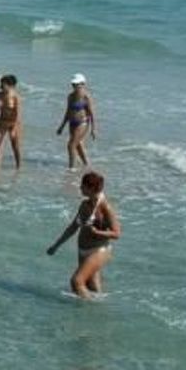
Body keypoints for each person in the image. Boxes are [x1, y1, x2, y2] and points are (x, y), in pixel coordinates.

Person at [47, 169, 120, 297]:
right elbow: (73, 227)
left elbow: (116, 233)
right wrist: (56, 245)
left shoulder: (105, 207)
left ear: (91, 188)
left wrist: (98, 232)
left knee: (76, 282)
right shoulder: (85, 204)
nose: (80, 187)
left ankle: (87, 309)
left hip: (99, 250)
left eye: (83, 185)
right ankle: (96, 313)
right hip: (83, 251)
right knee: (91, 288)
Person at [57, 75, 97, 168]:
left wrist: (93, 129)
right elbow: (67, 112)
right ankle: (87, 164)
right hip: (72, 123)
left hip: (82, 123)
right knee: (78, 145)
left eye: (76, 84)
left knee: (71, 145)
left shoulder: (86, 97)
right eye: (73, 84)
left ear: (83, 84)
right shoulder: (70, 96)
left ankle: (71, 168)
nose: (74, 86)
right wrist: (61, 126)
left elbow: (92, 114)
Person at [0, 73, 22, 171]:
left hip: (13, 124)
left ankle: (18, 167)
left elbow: (18, 114)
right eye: (0, 84)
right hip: (1, 123)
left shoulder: (16, 97)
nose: (0, 86)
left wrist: (14, 128)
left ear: (10, 85)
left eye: (3, 84)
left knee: (15, 147)